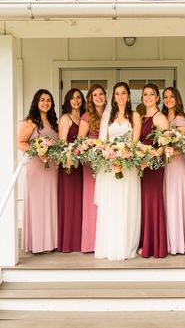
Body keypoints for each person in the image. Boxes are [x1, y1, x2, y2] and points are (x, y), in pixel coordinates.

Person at [94, 82, 142, 260]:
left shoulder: (135, 115)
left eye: (123, 93)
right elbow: (103, 141)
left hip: (128, 168)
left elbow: (135, 142)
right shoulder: (108, 117)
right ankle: (109, 246)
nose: (120, 96)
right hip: (110, 167)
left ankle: (125, 246)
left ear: (128, 96)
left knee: (127, 204)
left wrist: (124, 157)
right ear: (113, 97)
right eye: (117, 94)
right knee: (111, 205)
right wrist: (111, 156)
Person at [17, 89, 58, 253]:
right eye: (42, 100)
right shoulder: (30, 122)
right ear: (36, 102)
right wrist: (38, 151)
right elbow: (20, 142)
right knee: (37, 204)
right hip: (36, 167)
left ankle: (50, 242)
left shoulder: (52, 122)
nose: (46, 103)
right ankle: (37, 244)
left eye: (48, 100)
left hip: (52, 168)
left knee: (50, 202)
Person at [138, 83, 168, 258]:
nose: (148, 97)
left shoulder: (160, 118)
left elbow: (163, 145)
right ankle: (145, 243)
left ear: (157, 98)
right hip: (141, 165)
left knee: (152, 201)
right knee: (143, 203)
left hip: (154, 166)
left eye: (151, 94)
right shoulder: (141, 117)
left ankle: (154, 246)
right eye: (145, 94)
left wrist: (149, 161)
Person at [78, 84, 107, 253]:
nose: (98, 97)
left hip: (109, 162)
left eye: (101, 94)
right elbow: (81, 141)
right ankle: (90, 242)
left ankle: (105, 239)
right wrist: (92, 149)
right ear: (90, 98)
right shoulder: (87, 116)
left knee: (106, 200)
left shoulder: (111, 115)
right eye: (95, 94)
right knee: (92, 201)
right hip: (92, 164)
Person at [162, 87, 185, 255]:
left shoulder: (180, 118)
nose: (168, 99)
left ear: (176, 98)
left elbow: (184, 143)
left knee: (176, 199)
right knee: (167, 200)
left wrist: (174, 151)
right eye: (165, 97)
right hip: (165, 162)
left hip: (177, 163)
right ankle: (168, 240)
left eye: (171, 96)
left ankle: (178, 243)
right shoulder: (164, 117)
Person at [58, 88, 86, 252]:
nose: (76, 101)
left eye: (78, 97)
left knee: (79, 201)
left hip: (80, 165)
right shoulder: (66, 118)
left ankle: (79, 240)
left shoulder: (82, 117)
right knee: (70, 201)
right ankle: (68, 242)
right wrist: (69, 157)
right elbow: (62, 143)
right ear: (68, 101)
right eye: (73, 98)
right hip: (68, 164)